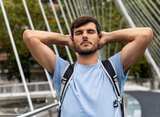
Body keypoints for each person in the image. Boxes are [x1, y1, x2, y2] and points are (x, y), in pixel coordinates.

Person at [23, 15, 153, 117]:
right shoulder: (62, 71)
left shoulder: (114, 68)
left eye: (90, 32)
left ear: (99, 36)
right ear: (72, 39)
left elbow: (145, 34)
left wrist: (107, 37)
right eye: (79, 33)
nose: (85, 35)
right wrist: (65, 39)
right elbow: (29, 36)